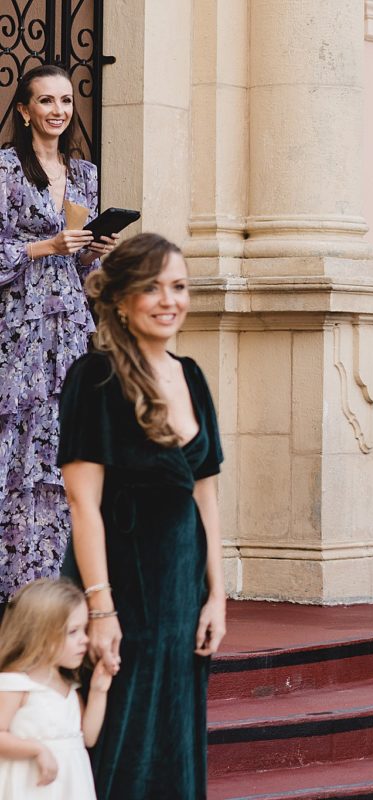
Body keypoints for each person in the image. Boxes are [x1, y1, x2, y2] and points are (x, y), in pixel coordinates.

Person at [58, 233, 225, 800]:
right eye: (150, 287)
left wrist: (217, 596)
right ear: (122, 300)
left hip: (181, 589)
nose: (167, 300)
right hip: (119, 582)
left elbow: (206, 495)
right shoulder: (95, 377)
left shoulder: (193, 375)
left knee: (175, 734)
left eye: (177, 287)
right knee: (117, 737)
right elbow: (83, 502)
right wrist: (101, 609)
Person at [0, 64, 119, 620]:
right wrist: (46, 246)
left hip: (69, 322)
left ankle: (60, 576)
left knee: (60, 440)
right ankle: (16, 578)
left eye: (66, 101)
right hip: (19, 323)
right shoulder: (4, 169)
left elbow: (81, 261)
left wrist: (95, 248)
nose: (58, 110)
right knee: (19, 437)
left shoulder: (85, 173)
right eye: (45, 101)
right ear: (23, 111)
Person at [0, 578, 112, 799]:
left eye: (85, 630)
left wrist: (99, 691)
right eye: (73, 632)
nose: (85, 640)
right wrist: (37, 749)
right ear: (39, 633)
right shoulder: (15, 683)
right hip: (32, 787)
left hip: (69, 786)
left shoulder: (67, 686)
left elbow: (87, 737)